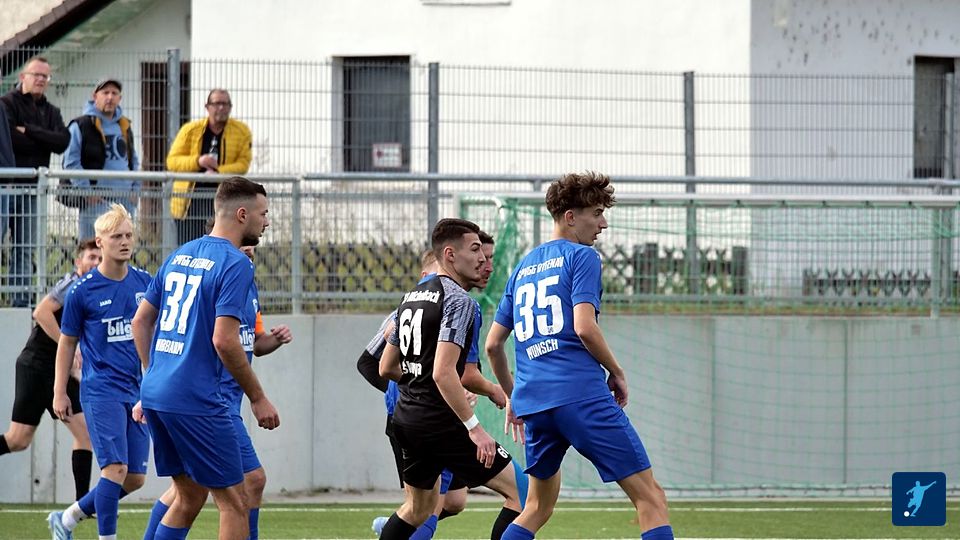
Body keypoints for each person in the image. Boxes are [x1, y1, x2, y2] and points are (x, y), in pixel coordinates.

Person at [485, 172, 674, 540]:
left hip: (536, 404)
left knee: (535, 508)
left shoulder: (523, 268)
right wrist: (616, 371)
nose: (604, 224)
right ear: (570, 217)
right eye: (597, 213)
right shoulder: (582, 257)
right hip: (580, 396)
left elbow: (493, 344)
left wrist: (513, 396)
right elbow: (584, 327)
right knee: (651, 497)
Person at [132, 176, 279, 540]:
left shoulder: (180, 254)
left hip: (158, 393)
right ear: (242, 214)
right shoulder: (236, 263)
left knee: (189, 496)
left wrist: (154, 372)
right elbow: (225, 341)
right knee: (235, 501)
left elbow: (140, 321)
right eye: (263, 214)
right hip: (197, 399)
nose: (267, 222)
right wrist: (258, 397)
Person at [376, 218, 522, 540]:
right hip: (440, 423)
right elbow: (444, 372)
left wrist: (421, 382)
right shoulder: (459, 301)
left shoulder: (411, 296)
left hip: (407, 419)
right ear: (450, 255)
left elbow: (386, 367)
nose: (483, 259)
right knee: (522, 493)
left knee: (418, 510)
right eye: (475, 250)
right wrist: (476, 429)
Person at [49, 204, 152, 540]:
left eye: (128, 235)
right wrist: (59, 391)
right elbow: (67, 343)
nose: (125, 242)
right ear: (100, 241)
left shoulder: (145, 283)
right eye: (116, 236)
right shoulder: (83, 290)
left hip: (137, 392)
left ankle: (68, 517)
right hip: (100, 390)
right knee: (115, 469)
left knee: (134, 478)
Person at [0, 239, 101, 502]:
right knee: (18, 440)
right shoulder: (73, 284)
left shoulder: (96, 290)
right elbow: (42, 312)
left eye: (100, 258)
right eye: (91, 257)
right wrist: (69, 347)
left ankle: (81, 505)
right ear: (78, 262)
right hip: (36, 365)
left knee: (85, 433)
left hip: (58, 370)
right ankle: (82, 504)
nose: (96, 263)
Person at [0, 56, 70, 307]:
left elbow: (62, 142)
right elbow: (10, 140)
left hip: (34, 190)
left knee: (25, 247)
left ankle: (20, 302)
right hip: (6, 186)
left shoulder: (51, 111)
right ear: (22, 77)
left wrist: (29, 130)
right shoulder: (6, 104)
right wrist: (43, 139)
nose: (41, 79)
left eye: (45, 76)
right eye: (36, 74)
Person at [166, 89, 252, 245]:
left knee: (221, 247)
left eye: (225, 104)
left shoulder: (241, 132)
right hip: (189, 203)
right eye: (217, 103)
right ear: (207, 106)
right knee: (190, 248)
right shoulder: (190, 130)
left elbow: (243, 164)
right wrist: (199, 161)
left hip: (225, 201)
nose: (221, 108)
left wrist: (219, 173)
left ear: (230, 107)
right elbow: (172, 162)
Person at [62, 77, 140, 240]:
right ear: (95, 96)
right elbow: (71, 162)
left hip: (125, 199)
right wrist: (87, 192)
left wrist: (135, 191)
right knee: (92, 246)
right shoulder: (81, 125)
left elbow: (133, 160)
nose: (110, 97)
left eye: (114, 93)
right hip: (96, 199)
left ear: (120, 98)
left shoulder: (125, 125)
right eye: (105, 92)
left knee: (122, 247)